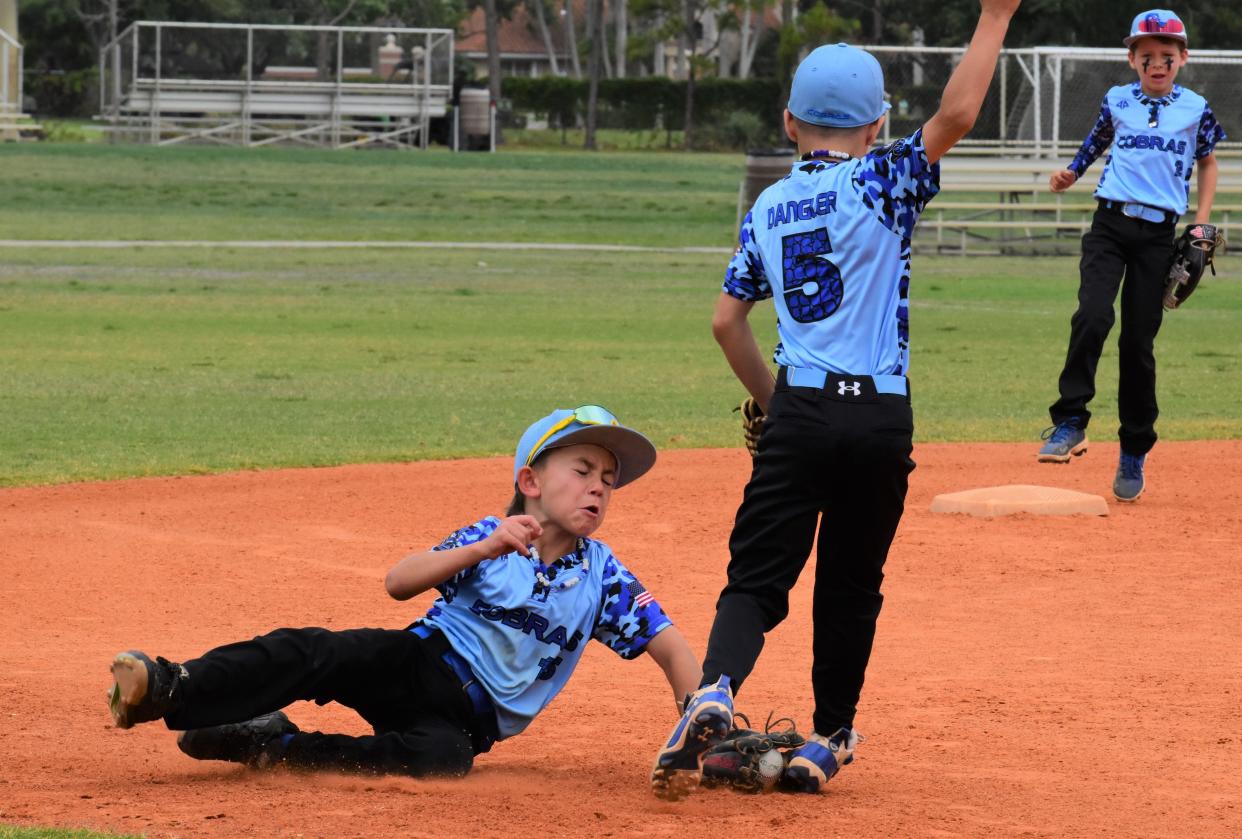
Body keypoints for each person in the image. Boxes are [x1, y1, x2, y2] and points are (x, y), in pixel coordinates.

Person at [649, 0, 1022, 800]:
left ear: (789, 122)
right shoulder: (884, 179)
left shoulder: (769, 207)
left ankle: (714, 689)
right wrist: (995, 15)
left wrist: (774, 405)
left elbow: (726, 322)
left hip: (804, 410)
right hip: (883, 415)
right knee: (851, 584)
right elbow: (957, 112)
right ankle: (828, 738)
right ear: (879, 122)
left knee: (756, 578)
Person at [107, 406, 702, 778]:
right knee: (317, 651)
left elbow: (671, 647)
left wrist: (699, 720)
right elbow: (399, 582)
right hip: (417, 661)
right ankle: (170, 686)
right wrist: (483, 548)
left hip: (470, 723)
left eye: (609, 480)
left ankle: (272, 744)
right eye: (582, 469)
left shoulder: (603, 576)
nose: (598, 487)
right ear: (530, 481)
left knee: (439, 763)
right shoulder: (487, 540)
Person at [1037, 9, 1225, 502]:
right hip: (1110, 225)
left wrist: (1201, 220)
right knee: (1093, 315)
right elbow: (1096, 142)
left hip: (1159, 235)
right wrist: (1071, 175)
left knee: (1137, 346)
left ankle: (1134, 449)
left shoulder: (1196, 108)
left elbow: (1208, 163)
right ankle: (1070, 420)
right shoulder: (1117, 99)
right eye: (1147, 54)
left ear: (1183, 58)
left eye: (1167, 54)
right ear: (1132, 59)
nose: (1157, 62)